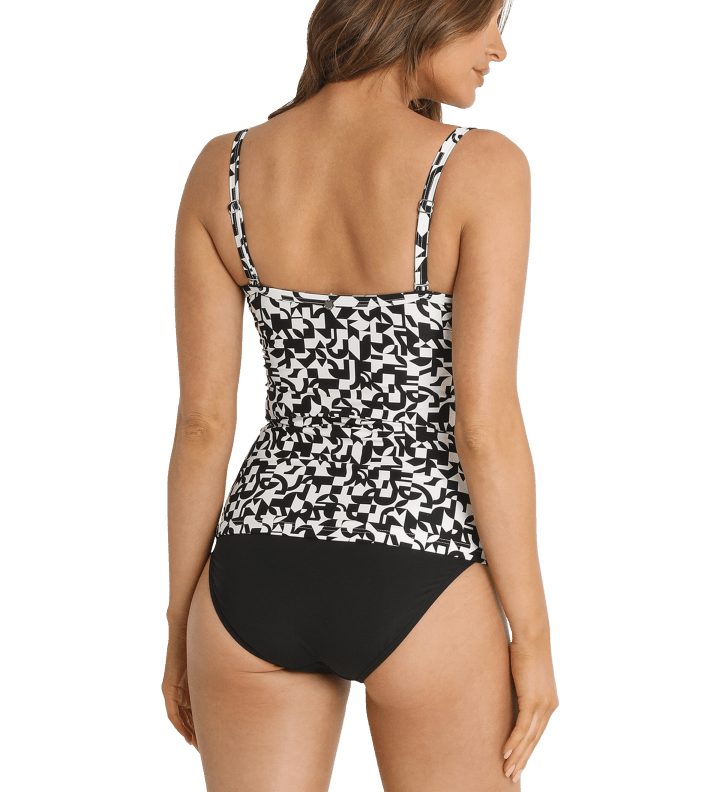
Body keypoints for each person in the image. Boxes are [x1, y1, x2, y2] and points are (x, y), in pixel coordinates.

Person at [162, 0, 558, 788]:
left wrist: (180, 625)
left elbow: (203, 424)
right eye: (491, 18)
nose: (499, 48)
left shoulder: (224, 167)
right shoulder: (480, 167)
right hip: (420, 569)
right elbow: (484, 428)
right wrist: (534, 637)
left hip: (252, 577)